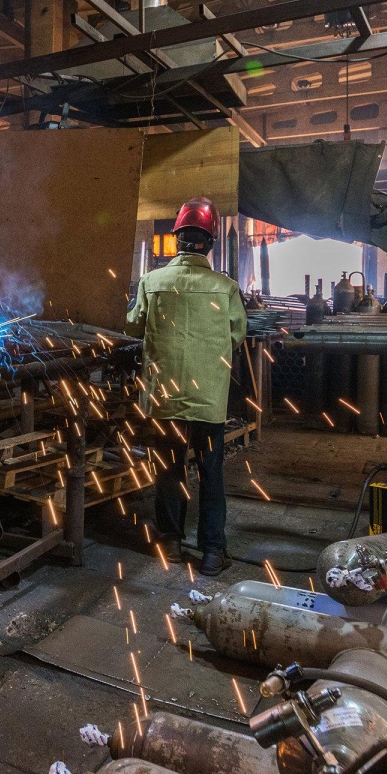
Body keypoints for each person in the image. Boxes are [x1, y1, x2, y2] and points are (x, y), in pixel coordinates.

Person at [126, 197, 247, 576]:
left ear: (176, 239)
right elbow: (238, 334)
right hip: (208, 402)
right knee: (211, 473)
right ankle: (212, 553)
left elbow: (132, 327)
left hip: (164, 398)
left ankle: (171, 543)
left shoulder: (152, 281)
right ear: (209, 244)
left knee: (169, 471)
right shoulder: (225, 287)